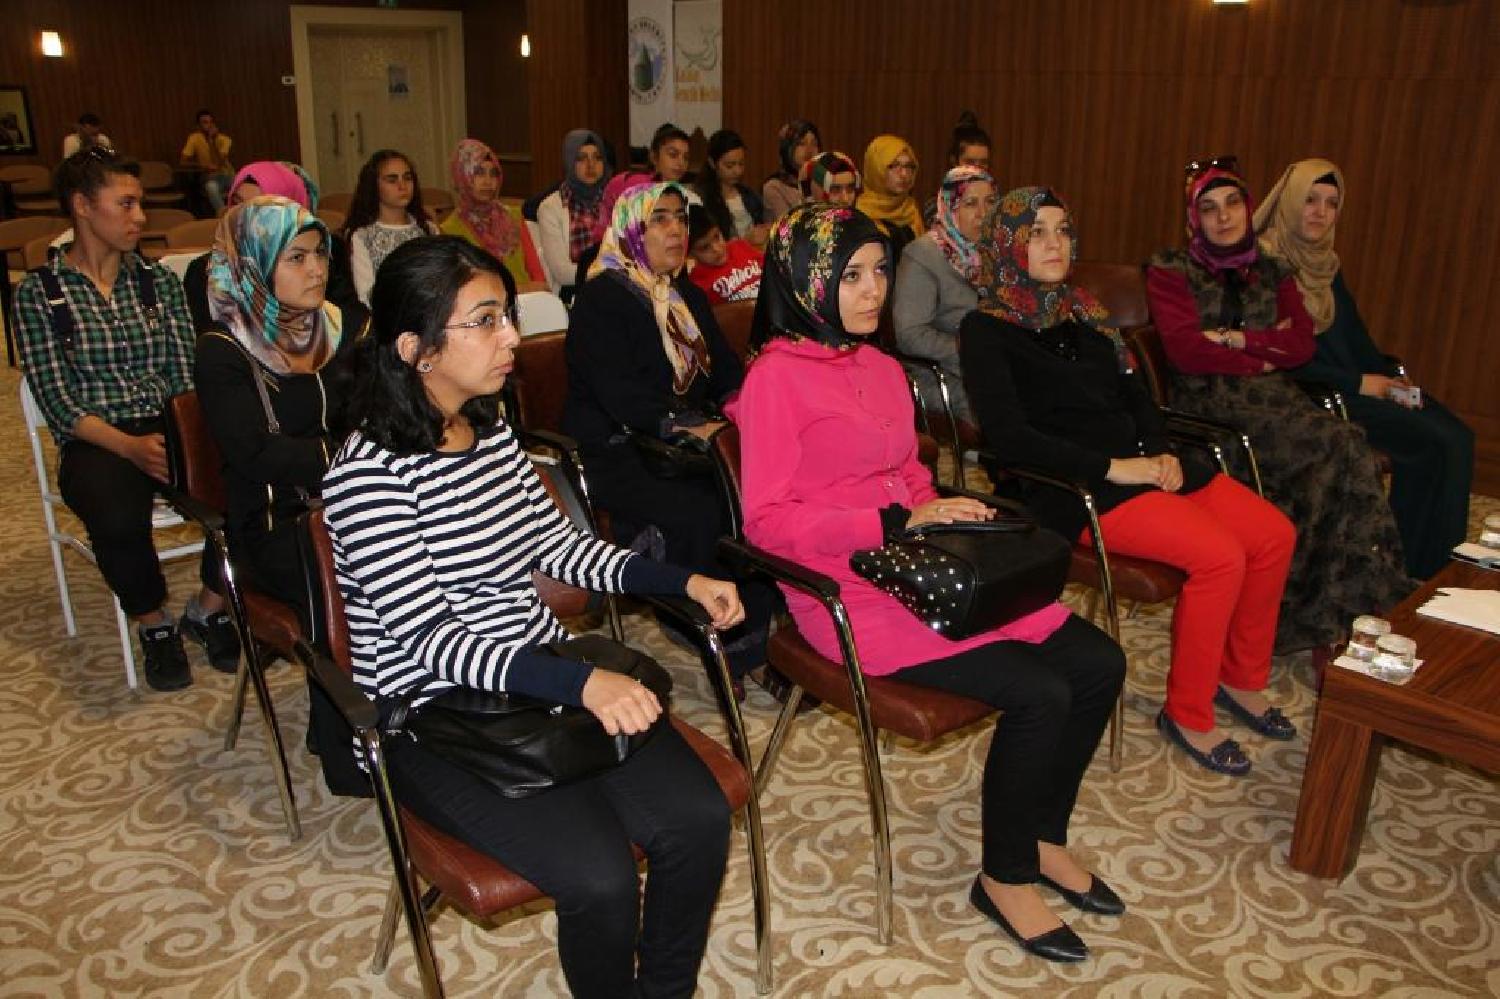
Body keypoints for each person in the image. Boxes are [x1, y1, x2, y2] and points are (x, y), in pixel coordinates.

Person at [322, 234, 741, 997]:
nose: (512, 336)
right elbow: (431, 639)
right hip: (436, 713)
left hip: (538, 682)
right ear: (416, 348)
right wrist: (580, 684)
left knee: (698, 821)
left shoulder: (488, 430)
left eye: (506, 315)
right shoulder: (366, 473)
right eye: (485, 320)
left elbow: (558, 548)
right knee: (602, 879)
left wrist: (681, 578)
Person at [730, 202, 1126, 963]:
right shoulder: (774, 379)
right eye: (850, 276)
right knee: (1040, 691)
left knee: (1099, 662)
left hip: (920, 563)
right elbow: (767, 525)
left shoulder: (881, 366)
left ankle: (1041, 838)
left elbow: (909, 472)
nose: (873, 290)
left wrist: (939, 506)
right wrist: (888, 519)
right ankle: (1004, 877)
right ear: (806, 281)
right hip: (844, 590)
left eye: (880, 270)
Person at [963, 186, 1297, 777]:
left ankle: (1240, 680)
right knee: (1221, 557)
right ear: (1008, 243)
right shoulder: (986, 328)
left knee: (1273, 536)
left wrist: (1161, 451)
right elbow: (1010, 439)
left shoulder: (1085, 311)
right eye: (1037, 232)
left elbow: (1136, 395)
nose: (1055, 243)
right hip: (1078, 486)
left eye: (1063, 230)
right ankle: (1188, 712)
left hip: (1143, 465)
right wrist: (1116, 467)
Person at [1145, 158, 1411, 655]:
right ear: (1193, 220)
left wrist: (1235, 340)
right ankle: (1320, 612)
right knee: (1337, 449)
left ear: (1249, 210)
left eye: (1232, 204)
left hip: (1274, 398)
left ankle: (1338, 608)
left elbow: (1302, 346)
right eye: (1209, 208)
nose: (1223, 217)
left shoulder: (1272, 269)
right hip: (1210, 406)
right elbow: (1186, 351)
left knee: (1345, 449)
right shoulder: (1171, 270)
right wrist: (1264, 353)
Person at [12, 148, 239, 690]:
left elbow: (183, 373)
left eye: (140, 204)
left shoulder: (156, 281)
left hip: (167, 421)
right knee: (114, 514)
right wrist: (130, 447)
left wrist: (183, 437)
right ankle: (152, 621)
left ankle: (207, 609)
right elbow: (58, 400)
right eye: (127, 203)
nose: (140, 217)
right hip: (95, 436)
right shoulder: (40, 294)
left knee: (248, 483)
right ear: (82, 206)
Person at [563, 183, 775, 683]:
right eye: (659, 218)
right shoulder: (601, 298)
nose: (676, 229)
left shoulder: (687, 296)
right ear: (631, 229)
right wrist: (687, 425)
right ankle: (734, 649)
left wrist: (747, 410)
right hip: (618, 446)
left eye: (680, 217)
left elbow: (725, 371)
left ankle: (769, 632)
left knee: (760, 491)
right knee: (704, 508)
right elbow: (620, 394)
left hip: (685, 445)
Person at [194, 195, 365, 784]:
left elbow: (372, 415)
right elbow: (257, 455)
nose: (316, 269)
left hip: (345, 504)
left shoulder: (337, 328)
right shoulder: (222, 349)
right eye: (296, 257)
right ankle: (343, 741)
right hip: (270, 526)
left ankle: (414, 711)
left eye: (320, 254)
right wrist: (352, 456)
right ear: (255, 265)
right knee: (351, 574)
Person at [1254, 158, 1474, 580]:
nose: (1320, 212)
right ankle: (1412, 567)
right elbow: (1284, 360)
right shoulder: (1265, 268)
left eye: (1331, 203)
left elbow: (1355, 340)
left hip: (1358, 385)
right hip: (1312, 394)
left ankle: (1434, 568)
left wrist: (1390, 379)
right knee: (1435, 443)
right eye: (1310, 200)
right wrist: (1362, 383)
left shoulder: (1325, 265)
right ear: (1289, 202)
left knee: (1458, 434)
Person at [893, 165, 994, 428]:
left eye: (990, 202)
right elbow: (910, 335)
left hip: (992, 365)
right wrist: (971, 351)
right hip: (941, 374)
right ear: (950, 207)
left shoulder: (997, 253)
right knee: (1004, 412)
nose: (984, 213)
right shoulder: (922, 254)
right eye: (971, 204)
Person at [439, 138, 545, 287]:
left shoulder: (514, 217)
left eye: (493, 174)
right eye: (479, 173)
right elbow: (461, 286)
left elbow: (537, 275)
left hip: (528, 298)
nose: (488, 182)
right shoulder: (449, 229)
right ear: (462, 177)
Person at [341, 149, 439, 306]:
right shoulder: (362, 236)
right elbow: (366, 295)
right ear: (374, 186)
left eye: (407, 178)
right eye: (392, 180)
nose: (402, 186)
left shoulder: (428, 230)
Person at [536, 128, 612, 295]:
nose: (591, 165)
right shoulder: (550, 208)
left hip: (613, 289)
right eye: (581, 158)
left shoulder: (614, 200)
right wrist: (609, 273)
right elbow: (562, 272)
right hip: (575, 293)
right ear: (569, 162)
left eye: (597, 158)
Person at [856, 135, 924, 265]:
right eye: (893, 166)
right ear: (876, 168)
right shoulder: (861, 217)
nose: (904, 174)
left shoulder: (911, 210)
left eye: (908, 166)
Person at [693, 129, 768, 247]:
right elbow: (706, 246)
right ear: (712, 163)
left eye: (741, 164)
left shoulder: (749, 195)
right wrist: (745, 241)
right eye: (729, 166)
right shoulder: (702, 199)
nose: (737, 171)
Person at [922, 111, 993, 227]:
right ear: (954, 161)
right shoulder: (936, 207)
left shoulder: (996, 204)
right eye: (970, 162)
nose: (977, 170)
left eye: (983, 163)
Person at [686, 205, 763, 306]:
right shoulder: (697, 285)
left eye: (717, 237)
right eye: (705, 248)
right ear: (690, 255)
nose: (717, 249)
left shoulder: (739, 246)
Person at [761, 118, 821, 221]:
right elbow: (790, 226)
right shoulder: (773, 187)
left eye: (814, 144)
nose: (809, 150)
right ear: (788, 148)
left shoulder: (822, 182)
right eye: (802, 143)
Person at [180, 109, 235, 214]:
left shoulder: (225, 139)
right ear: (198, 126)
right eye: (205, 122)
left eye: (210, 122)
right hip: (210, 178)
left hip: (227, 175)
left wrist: (212, 141)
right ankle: (224, 214)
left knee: (243, 185)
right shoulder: (194, 138)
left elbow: (219, 163)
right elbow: (183, 161)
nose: (209, 125)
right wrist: (203, 166)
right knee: (211, 187)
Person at [648, 123, 695, 189]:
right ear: (654, 157)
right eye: (673, 154)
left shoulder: (688, 193)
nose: (681, 163)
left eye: (686, 158)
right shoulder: (639, 187)